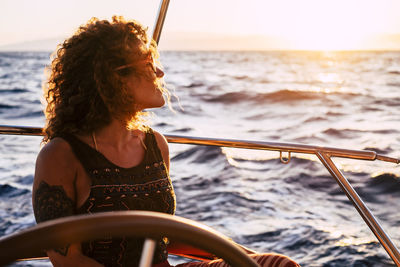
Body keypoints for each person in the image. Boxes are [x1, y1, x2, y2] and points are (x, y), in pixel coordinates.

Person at [32, 16, 300, 267]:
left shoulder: (154, 144)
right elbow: (66, 259)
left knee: (279, 265)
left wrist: (241, 257)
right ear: (115, 78)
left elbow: (163, 234)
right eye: (148, 64)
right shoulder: (61, 155)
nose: (159, 73)